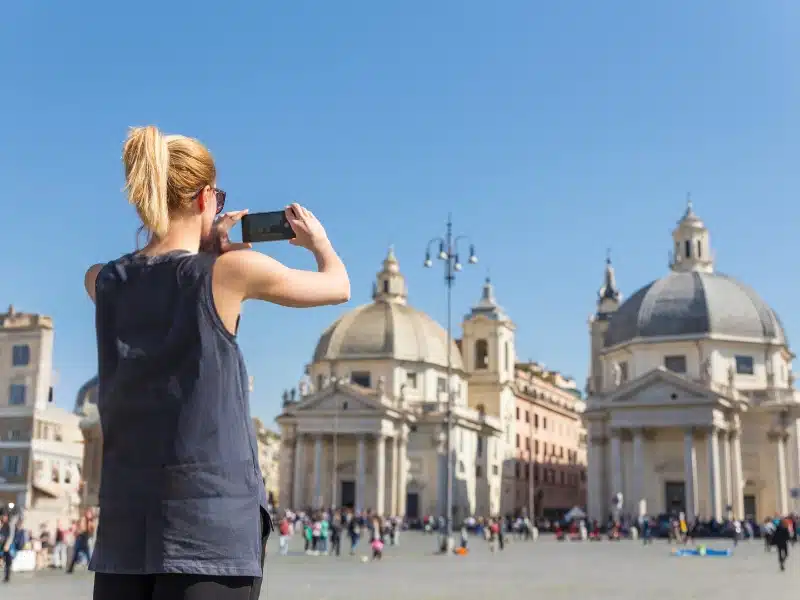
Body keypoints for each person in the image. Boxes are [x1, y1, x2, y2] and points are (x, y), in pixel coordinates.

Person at [85, 126, 350, 600]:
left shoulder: (102, 280)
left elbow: (167, 290)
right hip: (209, 532)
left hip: (125, 529)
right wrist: (319, 243)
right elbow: (337, 286)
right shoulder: (230, 272)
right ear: (207, 197)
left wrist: (203, 253)